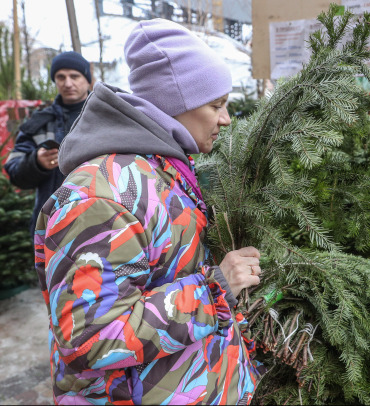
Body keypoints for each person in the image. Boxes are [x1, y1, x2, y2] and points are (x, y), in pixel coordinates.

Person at [34, 19, 263, 404]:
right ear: (177, 104)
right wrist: (214, 290)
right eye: (216, 105)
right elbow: (93, 338)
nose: (225, 119)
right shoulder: (101, 198)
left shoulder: (164, 170)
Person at [4, 51, 91, 237]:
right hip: (51, 226)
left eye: (74, 76)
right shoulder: (39, 122)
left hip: (101, 220)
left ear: (87, 79)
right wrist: (35, 162)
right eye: (61, 77)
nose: (68, 83)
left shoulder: (106, 118)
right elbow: (13, 169)